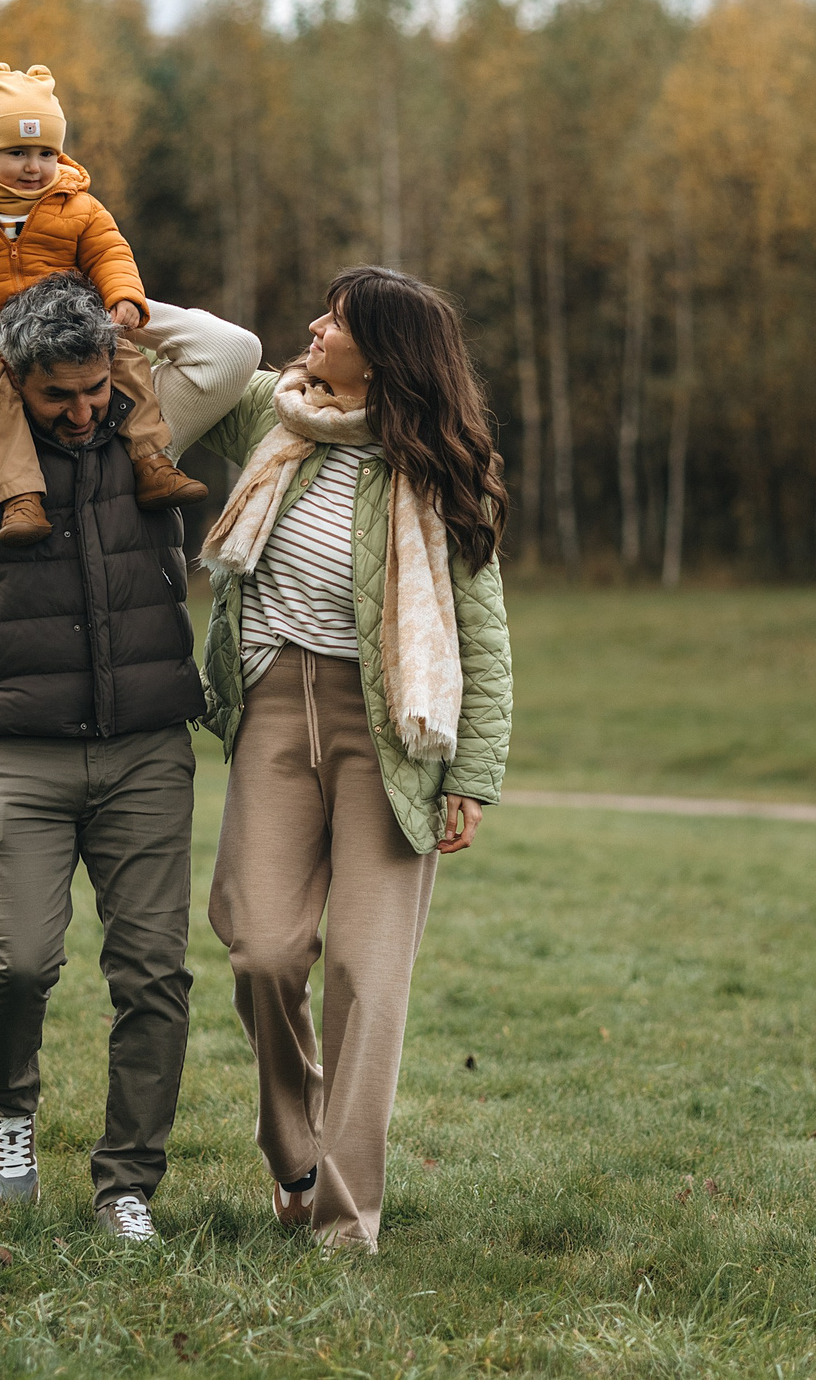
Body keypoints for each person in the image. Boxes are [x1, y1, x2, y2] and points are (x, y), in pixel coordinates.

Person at [0, 269, 259, 1243]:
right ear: (12, 376)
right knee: (16, 963)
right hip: (15, 750)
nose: (86, 411)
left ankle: (126, 1184)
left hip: (141, 745)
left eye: (96, 386)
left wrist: (116, 302)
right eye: (60, 396)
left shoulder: (142, 416)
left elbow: (234, 352)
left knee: (152, 976)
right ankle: (7, 1112)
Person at [189, 265, 513, 1253]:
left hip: (392, 737)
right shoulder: (267, 415)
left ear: (386, 354)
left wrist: (472, 775)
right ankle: (292, 1148)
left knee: (368, 980)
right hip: (276, 716)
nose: (315, 329)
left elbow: (482, 628)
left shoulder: (442, 470)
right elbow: (204, 351)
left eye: (338, 321)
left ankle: (344, 1221)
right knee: (262, 951)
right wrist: (97, 274)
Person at [0, 61, 208, 549]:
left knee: (129, 364)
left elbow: (111, 254)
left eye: (46, 152)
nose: (34, 166)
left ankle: (153, 462)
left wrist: (125, 296)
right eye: (18, 152)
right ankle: (21, 498)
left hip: (77, 341)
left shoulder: (80, 207)